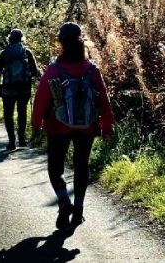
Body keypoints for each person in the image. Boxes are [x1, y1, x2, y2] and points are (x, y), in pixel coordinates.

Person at [32, 22, 115, 230]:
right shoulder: (92, 70)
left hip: (57, 127)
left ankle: (64, 201)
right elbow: (104, 101)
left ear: (61, 43)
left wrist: (35, 124)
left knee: (55, 169)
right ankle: (78, 210)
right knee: (81, 167)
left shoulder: (53, 70)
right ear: (81, 41)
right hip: (86, 127)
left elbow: (41, 99)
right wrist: (107, 127)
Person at [0, 28, 40, 151]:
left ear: (9, 39)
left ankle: (11, 141)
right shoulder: (27, 52)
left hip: (8, 89)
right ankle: (22, 140)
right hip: (23, 89)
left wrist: (5, 73)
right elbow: (35, 72)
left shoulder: (4, 53)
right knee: (22, 112)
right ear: (21, 39)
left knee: (8, 114)